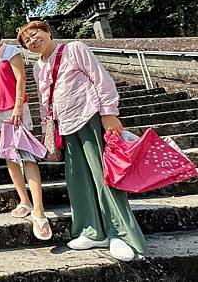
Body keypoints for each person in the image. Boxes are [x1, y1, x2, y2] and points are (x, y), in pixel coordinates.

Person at [17, 20, 148, 261]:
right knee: (77, 178)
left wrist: (109, 113)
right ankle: (91, 230)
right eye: (26, 41)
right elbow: (44, 100)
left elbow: (101, 78)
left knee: (103, 175)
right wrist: (47, 130)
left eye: (34, 34)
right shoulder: (37, 67)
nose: (32, 41)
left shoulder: (74, 48)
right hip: (64, 126)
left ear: (47, 31)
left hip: (89, 115)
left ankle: (119, 233)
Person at [0, 20, 51, 241]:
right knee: (10, 157)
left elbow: (21, 78)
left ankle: (39, 210)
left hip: (14, 108)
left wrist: (19, 105)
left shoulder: (10, 50)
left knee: (27, 158)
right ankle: (24, 201)